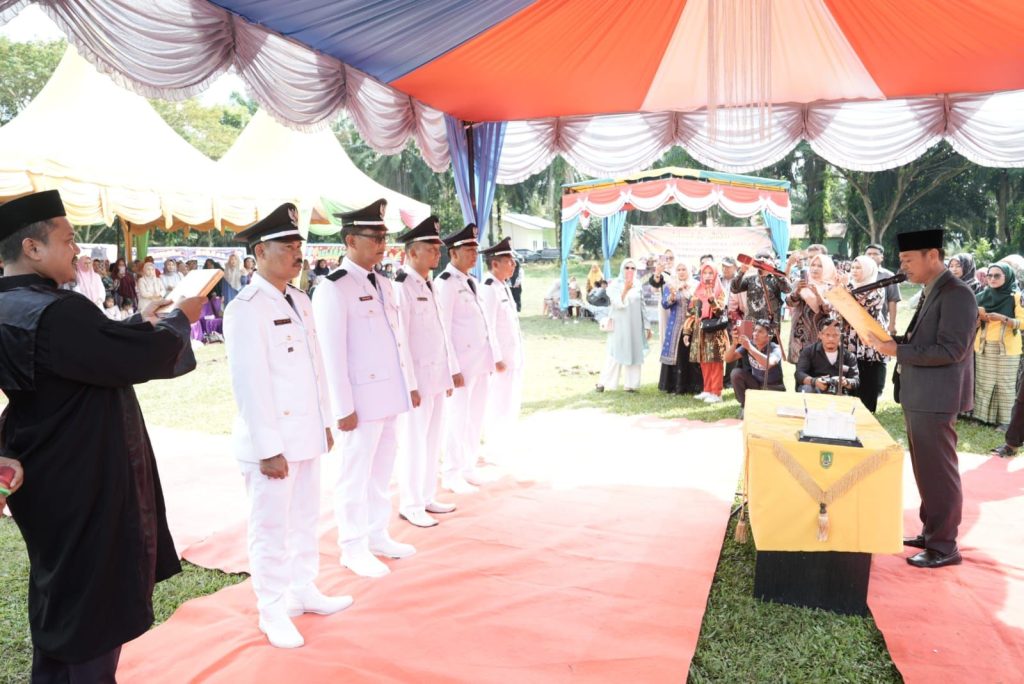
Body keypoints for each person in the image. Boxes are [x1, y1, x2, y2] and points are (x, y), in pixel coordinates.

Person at [0, 190, 203, 681]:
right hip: (85, 476)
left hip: (45, 473)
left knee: (62, 594)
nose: (77, 250)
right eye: (68, 240)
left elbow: (82, 357)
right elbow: (127, 358)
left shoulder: (14, 306)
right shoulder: (59, 312)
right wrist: (181, 319)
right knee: (94, 606)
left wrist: (137, 323)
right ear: (32, 248)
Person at [224, 203, 351, 649]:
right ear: (260, 251)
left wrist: (325, 423)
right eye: (289, 244)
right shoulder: (246, 308)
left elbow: (315, 370)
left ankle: (302, 588)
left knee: (304, 519)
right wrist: (267, 448)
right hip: (272, 442)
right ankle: (272, 608)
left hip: (306, 435)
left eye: (300, 243)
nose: (299, 251)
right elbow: (250, 384)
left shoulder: (298, 299)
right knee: (271, 527)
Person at [313, 199, 417, 578]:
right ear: (350, 240)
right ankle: (352, 545)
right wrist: (342, 408)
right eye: (374, 236)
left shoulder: (386, 283)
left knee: (381, 468)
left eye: (384, 236)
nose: (382, 243)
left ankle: (377, 533)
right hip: (359, 400)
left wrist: (408, 388)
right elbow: (331, 353)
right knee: (354, 474)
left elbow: (397, 343)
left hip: (388, 395)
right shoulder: (333, 288)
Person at [865, 229, 976, 569]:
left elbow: (952, 350)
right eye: (901, 261)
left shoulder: (957, 293)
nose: (903, 267)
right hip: (921, 393)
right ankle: (931, 532)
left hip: (937, 396)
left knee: (939, 472)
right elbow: (922, 338)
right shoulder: (933, 290)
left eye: (908, 260)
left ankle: (944, 546)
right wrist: (890, 339)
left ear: (933, 255)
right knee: (926, 470)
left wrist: (896, 349)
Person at [392, 216, 459, 528]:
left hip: (435, 377)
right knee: (414, 441)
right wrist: (409, 384)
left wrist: (446, 374)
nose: (436, 253)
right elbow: (401, 339)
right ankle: (410, 502)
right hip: (417, 380)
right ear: (412, 252)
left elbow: (440, 334)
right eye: (430, 248)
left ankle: (426, 493)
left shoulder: (429, 284)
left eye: (437, 248)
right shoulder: (402, 287)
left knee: (433, 439)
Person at [434, 223, 504, 492]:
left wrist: (491, 358)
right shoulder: (446, 284)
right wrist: (452, 367)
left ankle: (468, 466)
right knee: (457, 419)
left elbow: (483, 324)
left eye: (475, 249)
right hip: (461, 366)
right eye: (469, 249)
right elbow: (444, 327)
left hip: (479, 363)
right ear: (453, 253)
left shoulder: (471, 281)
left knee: (475, 417)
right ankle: (451, 473)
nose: (474, 254)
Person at [479, 238, 525, 464]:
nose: (513, 266)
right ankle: (493, 449)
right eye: (509, 261)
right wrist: (496, 358)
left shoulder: (502, 285)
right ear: (495, 264)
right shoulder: (488, 287)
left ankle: (504, 444)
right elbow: (487, 326)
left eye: (513, 262)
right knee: (497, 404)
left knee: (510, 402)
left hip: (512, 357)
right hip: (501, 361)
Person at [972, 263, 1023, 427]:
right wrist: (978, 320)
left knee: (1005, 384)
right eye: (989, 275)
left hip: (1008, 348)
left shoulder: (1015, 297)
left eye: (997, 275)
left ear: (1007, 277)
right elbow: (971, 323)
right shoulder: (981, 296)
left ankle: (1005, 422)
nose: (992, 279)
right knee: (983, 383)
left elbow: (1022, 324)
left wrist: (1002, 318)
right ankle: (981, 418)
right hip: (983, 345)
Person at [596, 259, 651, 392]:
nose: (630, 271)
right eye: (627, 268)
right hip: (620, 324)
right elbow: (617, 304)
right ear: (622, 268)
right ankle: (604, 383)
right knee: (615, 353)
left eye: (633, 268)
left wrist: (647, 326)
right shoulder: (614, 285)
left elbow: (642, 306)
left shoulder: (637, 284)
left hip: (635, 324)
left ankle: (631, 385)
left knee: (634, 351)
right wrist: (625, 289)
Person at [845, 255, 888, 413]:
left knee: (868, 375)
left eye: (859, 268)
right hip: (850, 338)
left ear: (869, 270)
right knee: (851, 372)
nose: (854, 271)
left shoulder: (877, 288)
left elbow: (862, 304)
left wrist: (846, 288)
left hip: (868, 339)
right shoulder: (849, 285)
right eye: (853, 267)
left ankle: (868, 410)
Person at [684, 263, 729, 403]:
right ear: (701, 275)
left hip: (714, 332)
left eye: (711, 273)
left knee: (715, 362)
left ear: (715, 275)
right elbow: (691, 313)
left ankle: (717, 393)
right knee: (704, 361)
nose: (708, 276)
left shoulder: (720, 291)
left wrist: (712, 300)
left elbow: (720, 312)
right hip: (700, 332)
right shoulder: (697, 291)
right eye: (705, 273)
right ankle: (708, 389)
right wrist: (686, 332)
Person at [730, 249, 792, 343]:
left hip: (770, 325)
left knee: (769, 354)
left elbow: (788, 289)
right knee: (748, 353)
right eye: (759, 261)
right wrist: (742, 271)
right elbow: (734, 288)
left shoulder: (775, 279)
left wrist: (773, 270)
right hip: (751, 325)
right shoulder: (750, 279)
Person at [659, 262, 702, 395]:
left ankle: (692, 386)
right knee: (677, 355)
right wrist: (673, 295)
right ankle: (674, 386)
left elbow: (699, 303)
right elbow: (665, 304)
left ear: (689, 270)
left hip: (692, 326)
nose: (681, 272)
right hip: (675, 326)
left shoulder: (696, 285)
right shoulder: (670, 285)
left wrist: (687, 292)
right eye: (679, 269)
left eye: (684, 269)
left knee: (690, 355)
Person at [725, 319, 785, 412]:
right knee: (736, 373)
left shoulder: (775, 348)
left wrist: (750, 348)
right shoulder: (751, 344)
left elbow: (768, 364)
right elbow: (728, 359)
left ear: (769, 336)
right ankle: (745, 406)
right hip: (756, 385)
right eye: (755, 330)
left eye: (760, 331)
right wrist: (734, 343)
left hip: (774, 388)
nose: (755, 334)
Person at [785, 254, 835, 361]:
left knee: (819, 368)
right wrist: (797, 291)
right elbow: (789, 302)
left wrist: (818, 294)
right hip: (800, 332)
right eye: (813, 265)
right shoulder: (801, 282)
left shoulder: (831, 286)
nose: (815, 268)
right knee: (800, 369)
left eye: (820, 266)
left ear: (827, 268)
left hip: (820, 332)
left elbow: (828, 310)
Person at [795, 317, 860, 394]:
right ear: (820, 335)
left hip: (839, 393)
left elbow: (856, 380)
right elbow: (799, 374)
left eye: (835, 335)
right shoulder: (808, 352)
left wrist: (845, 382)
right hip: (815, 391)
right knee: (807, 388)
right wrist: (814, 381)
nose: (831, 339)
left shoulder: (849, 356)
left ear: (841, 336)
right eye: (827, 335)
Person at [865, 243, 902, 337]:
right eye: (869, 254)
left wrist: (892, 325)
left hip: (880, 322)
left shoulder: (888, 276)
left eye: (875, 254)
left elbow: (892, 301)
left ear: (882, 257)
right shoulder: (857, 274)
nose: (872, 256)